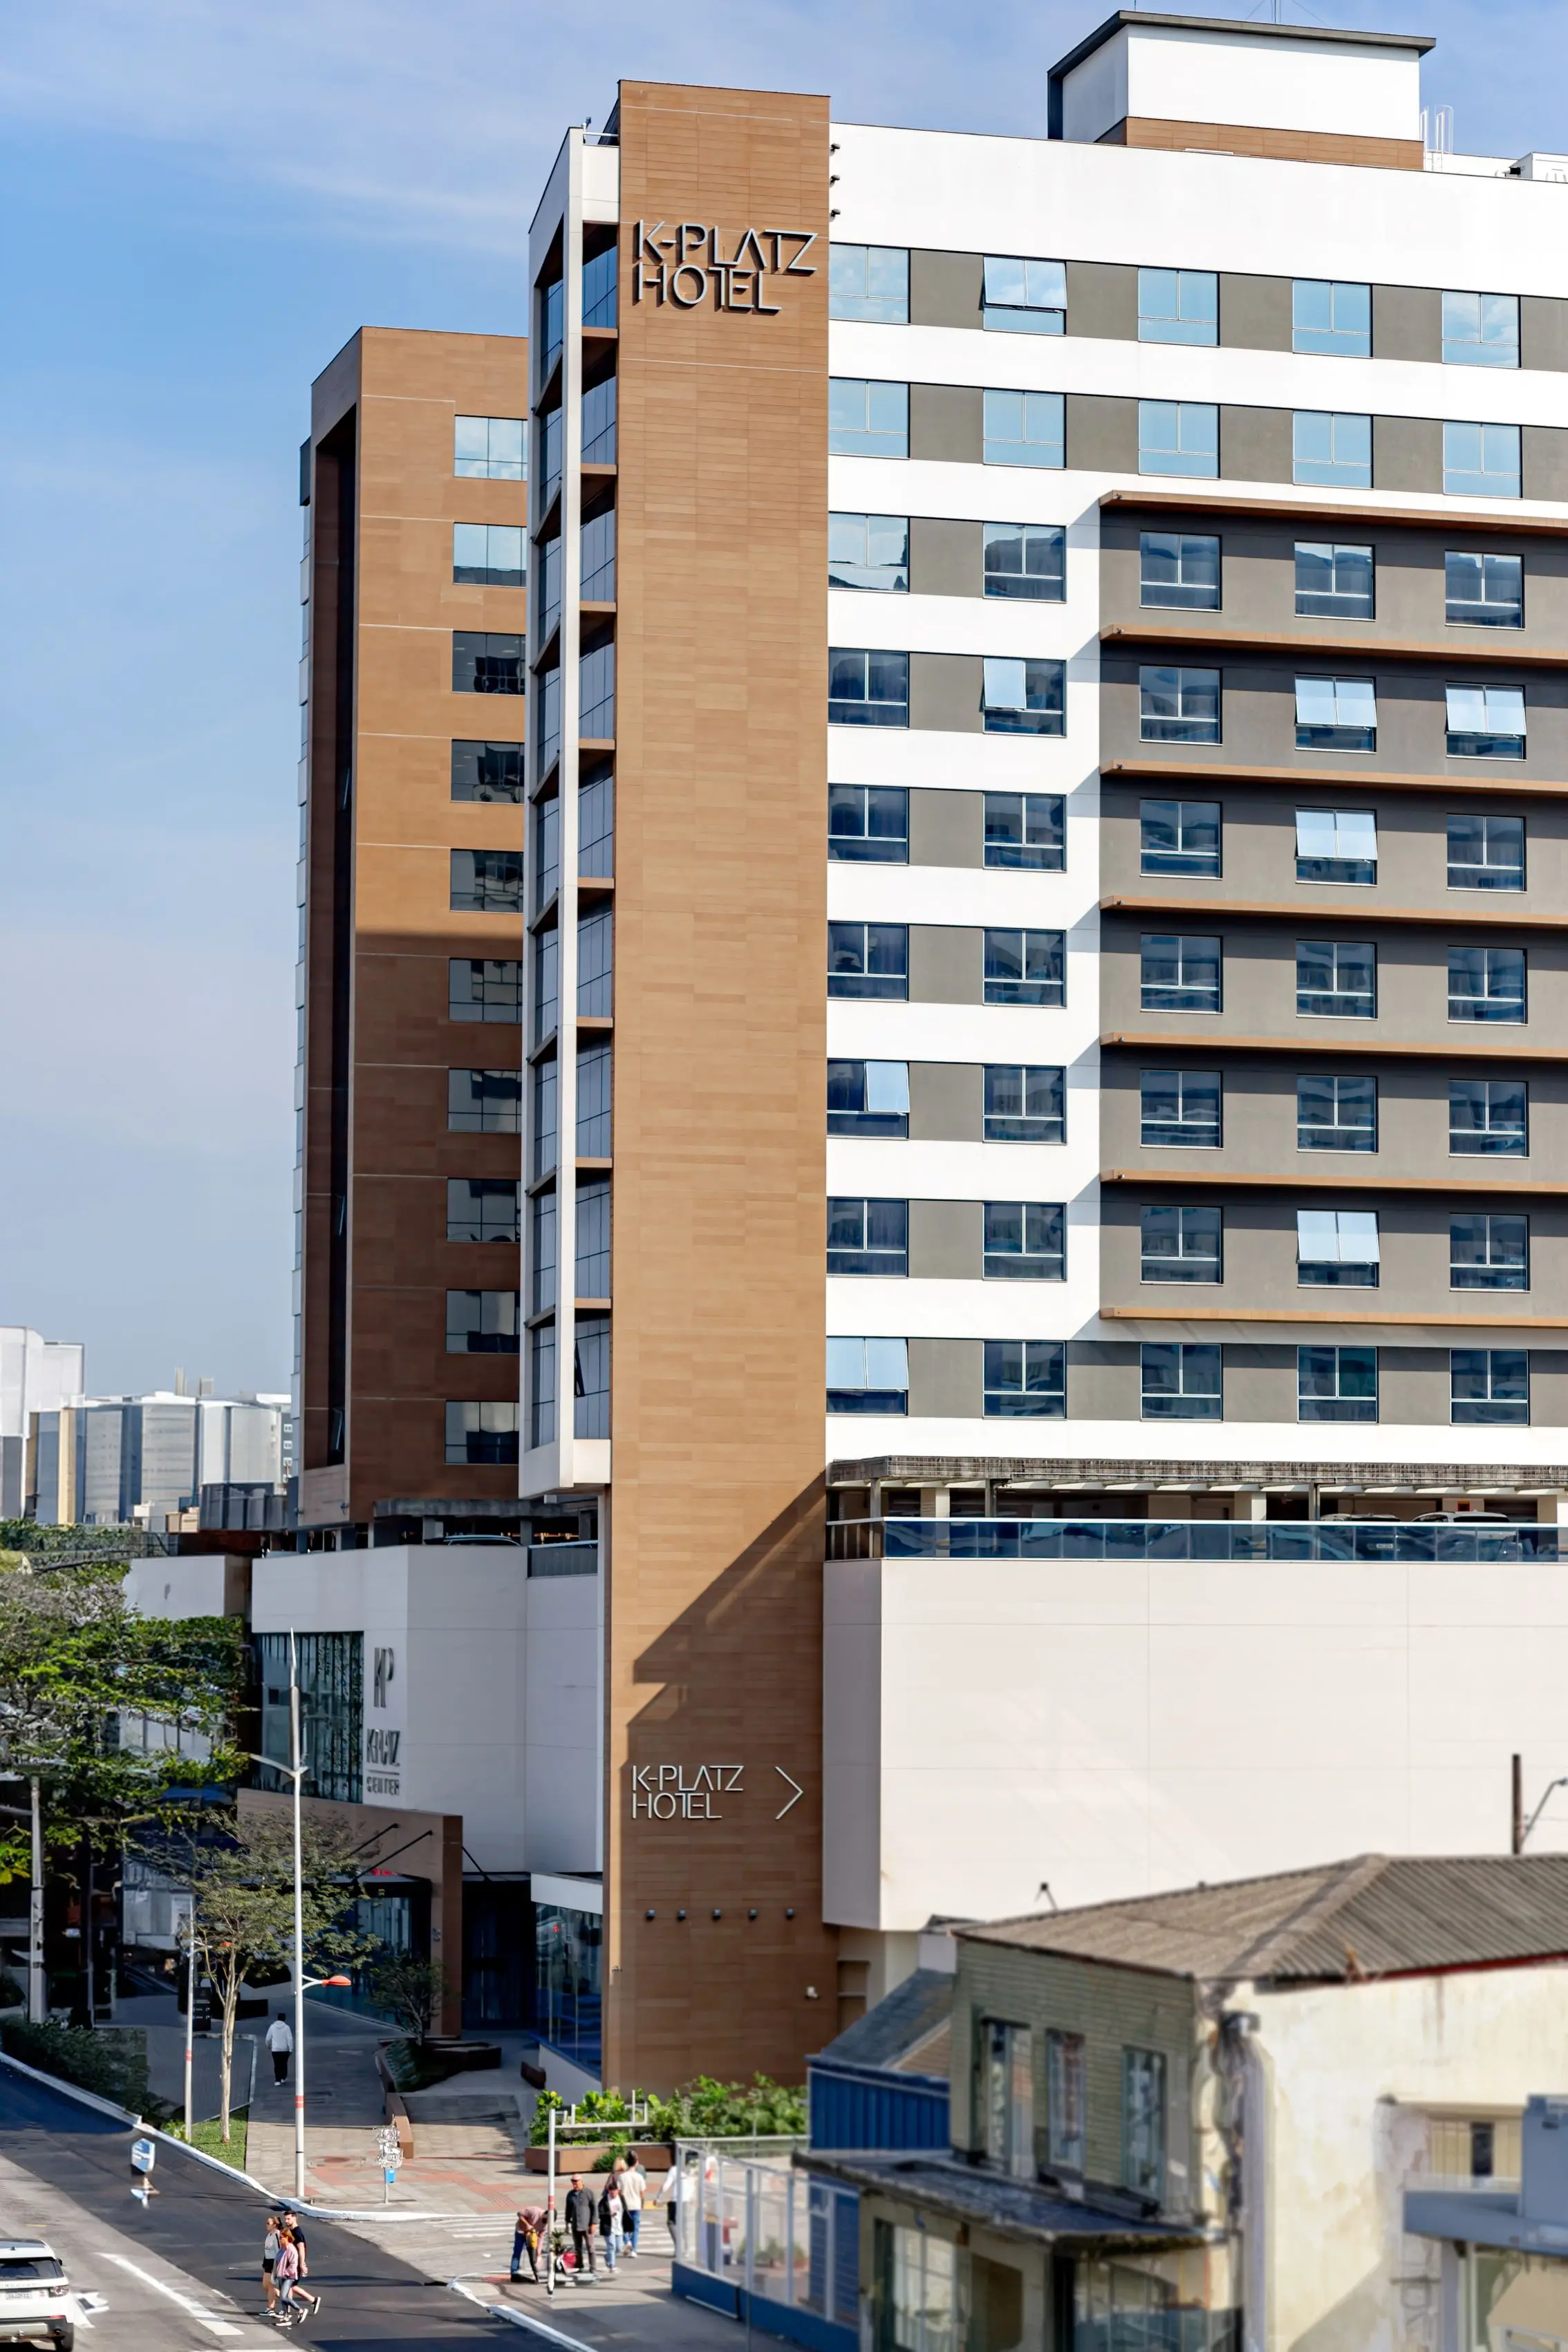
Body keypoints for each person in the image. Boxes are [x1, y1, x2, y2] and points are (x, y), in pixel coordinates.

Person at [563, 2176, 597, 2278]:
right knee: (578, 2248)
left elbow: (595, 2209)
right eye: (573, 2183)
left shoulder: (589, 2193)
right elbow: (568, 2210)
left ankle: (593, 2268)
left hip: (587, 2226)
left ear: (582, 2182)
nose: (575, 2185)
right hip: (575, 2226)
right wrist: (567, 2223)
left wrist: (594, 2223)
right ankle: (579, 2266)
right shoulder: (570, 2195)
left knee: (591, 2248)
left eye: (576, 2183)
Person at [510, 2206, 543, 2285]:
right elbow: (520, 2214)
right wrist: (527, 2224)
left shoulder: (546, 2224)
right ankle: (514, 2272)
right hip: (521, 2231)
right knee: (517, 2252)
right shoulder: (535, 2211)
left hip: (531, 2236)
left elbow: (541, 2238)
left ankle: (536, 2274)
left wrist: (538, 2253)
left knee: (532, 2255)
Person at [598, 2177, 624, 2272]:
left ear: (618, 2191)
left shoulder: (621, 2199)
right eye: (611, 2193)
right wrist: (608, 2214)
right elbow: (599, 2213)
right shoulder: (605, 2200)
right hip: (608, 2227)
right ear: (609, 2191)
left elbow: (625, 2211)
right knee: (611, 2246)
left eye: (615, 2193)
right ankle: (612, 2265)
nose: (613, 2195)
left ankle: (607, 2256)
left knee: (619, 2248)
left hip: (619, 2227)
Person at [618, 2158, 643, 2255]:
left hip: (625, 2204)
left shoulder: (622, 2177)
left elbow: (619, 2191)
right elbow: (642, 2192)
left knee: (624, 2225)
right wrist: (642, 2203)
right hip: (636, 2204)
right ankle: (634, 2250)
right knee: (635, 2228)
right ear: (636, 2163)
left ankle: (627, 2241)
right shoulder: (639, 2177)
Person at [265, 2013, 294, 2084]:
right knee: (284, 2064)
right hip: (285, 2050)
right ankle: (283, 2078)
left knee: (277, 2065)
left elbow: (268, 2038)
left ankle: (278, 2080)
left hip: (275, 2050)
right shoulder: (287, 2028)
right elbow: (289, 2039)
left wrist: (268, 2045)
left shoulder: (272, 2027)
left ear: (278, 2018)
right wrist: (291, 2049)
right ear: (284, 2019)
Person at [261, 2214, 281, 2315]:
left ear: (275, 2225)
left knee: (270, 2286)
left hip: (273, 2262)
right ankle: (287, 2299)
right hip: (267, 2262)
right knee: (266, 2285)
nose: (266, 2225)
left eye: (268, 2223)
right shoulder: (269, 2234)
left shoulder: (277, 2235)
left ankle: (271, 2308)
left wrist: (277, 2266)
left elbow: (280, 2251)